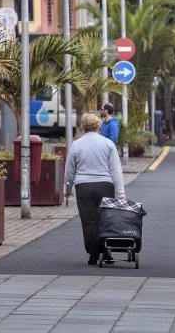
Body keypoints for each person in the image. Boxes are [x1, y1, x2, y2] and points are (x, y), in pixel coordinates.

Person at [65, 113, 125, 265]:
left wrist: (67, 190)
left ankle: (93, 254)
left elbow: (69, 171)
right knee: (105, 220)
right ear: (98, 126)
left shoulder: (76, 145)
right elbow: (115, 170)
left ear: (82, 126)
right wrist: (120, 192)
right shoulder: (107, 144)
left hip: (83, 187)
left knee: (88, 221)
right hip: (105, 185)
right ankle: (106, 253)